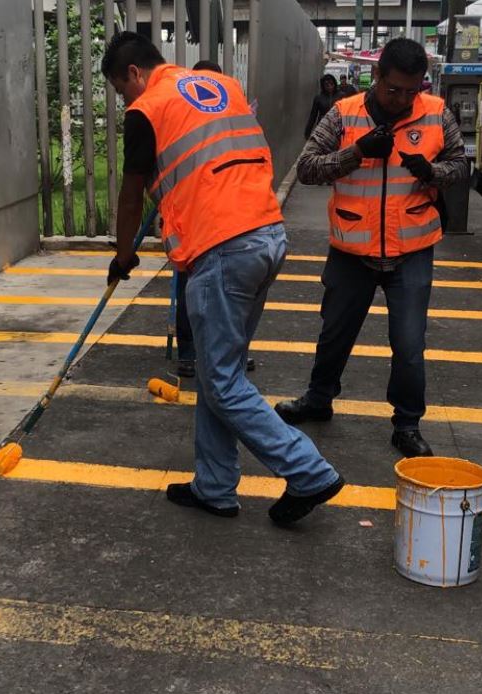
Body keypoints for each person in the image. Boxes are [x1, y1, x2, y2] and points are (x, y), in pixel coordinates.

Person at [101, 31, 343, 524]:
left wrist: (124, 254)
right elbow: (211, 165)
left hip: (222, 250)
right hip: (265, 234)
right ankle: (214, 486)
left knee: (222, 381)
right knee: (221, 372)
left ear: (133, 73)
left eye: (120, 89)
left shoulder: (146, 108)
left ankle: (308, 471)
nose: (124, 100)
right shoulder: (221, 87)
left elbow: (129, 196)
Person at [275, 38, 467, 458]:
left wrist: (432, 172)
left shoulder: (436, 113)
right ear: (376, 76)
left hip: (411, 249)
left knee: (409, 344)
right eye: (393, 89)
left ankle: (407, 423)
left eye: (411, 91)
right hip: (351, 249)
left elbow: (460, 164)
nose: (402, 99)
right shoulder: (343, 114)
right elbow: (307, 168)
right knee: (334, 333)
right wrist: (356, 153)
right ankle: (318, 399)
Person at [174, 59, 254, 378]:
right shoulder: (192, 118)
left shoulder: (235, 115)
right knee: (192, 287)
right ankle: (191, 353)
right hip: (198, 216)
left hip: (227, 215)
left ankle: (214, 353)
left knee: (224, 289)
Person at [304, 74, 338, 138]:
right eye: (327, 85)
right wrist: (307, 132)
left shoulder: (341, 96)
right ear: (323, 86)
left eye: (331, 84)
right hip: (322, 128)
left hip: (337, 128)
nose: (330, 87)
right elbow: (313, 116)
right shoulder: (319, 98)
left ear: (334, 84)